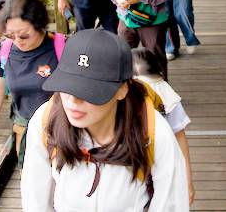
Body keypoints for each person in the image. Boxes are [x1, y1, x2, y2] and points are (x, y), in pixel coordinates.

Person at [22, 29, 190, 211]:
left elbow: (170, 204)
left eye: (89, 90)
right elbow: (36, 200)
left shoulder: (153, 130)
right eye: (67, 85)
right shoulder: (46, 121)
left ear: (121, 90)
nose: (73, 100)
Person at [0, 0, 57, 165]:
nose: (17, 41)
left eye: (23, 35)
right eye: (10, 35)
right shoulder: (5, 49)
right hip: (24, 127)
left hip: (58, 129)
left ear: (39, 25)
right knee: (30, 183)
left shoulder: (60, 48)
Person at [132, 48, 195, 204]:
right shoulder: (165, 92)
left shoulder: (167, 96)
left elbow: (180, 139)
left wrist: (187, 182)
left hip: (162, 164)